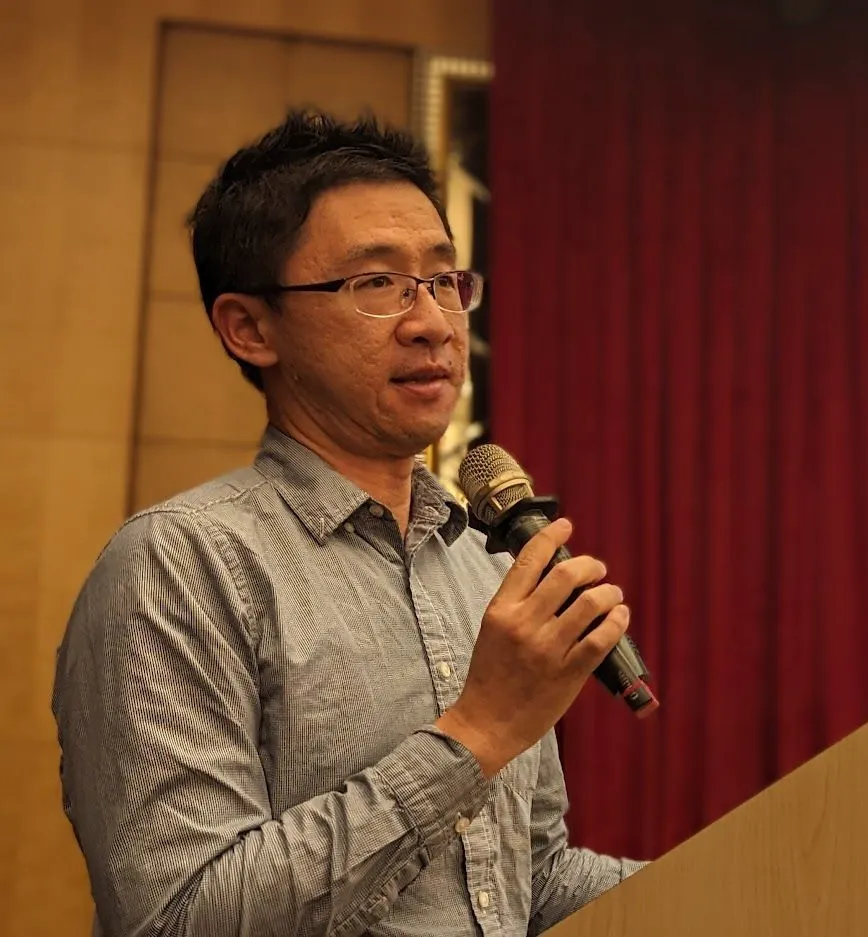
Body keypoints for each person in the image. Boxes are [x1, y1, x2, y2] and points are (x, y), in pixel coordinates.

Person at [51, 109, 643, 937]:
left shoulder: (482, 566)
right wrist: (475, 732)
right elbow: (179, 919)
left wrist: (751, 869)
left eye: (443, 279)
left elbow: (525, 883)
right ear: (250, 328)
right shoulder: (180, 564)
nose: (433, 322)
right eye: (376, 284)